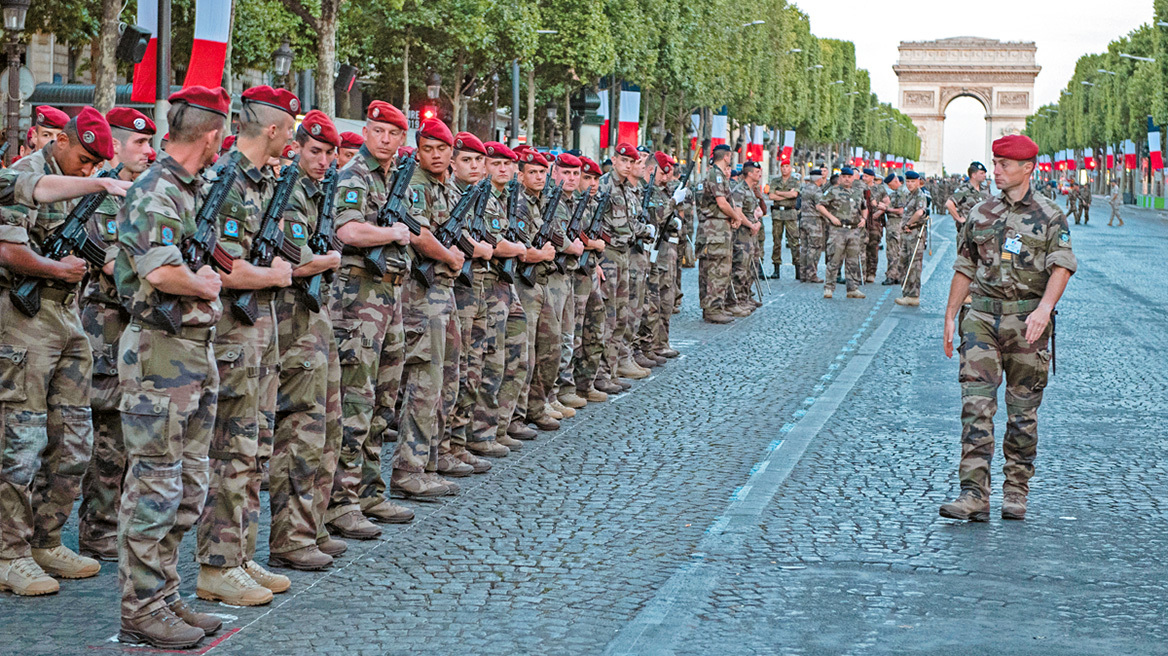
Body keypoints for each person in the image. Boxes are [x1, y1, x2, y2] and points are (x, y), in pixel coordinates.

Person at [110, 85, 229, 647]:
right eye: (220, 137)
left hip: (189, 349)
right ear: (211, 135)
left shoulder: (188, 189)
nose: (220, 145)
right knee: (155, 484)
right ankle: (140, 609)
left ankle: (165, 597)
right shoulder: (155, 190)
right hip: (158, 350)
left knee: (187, 484)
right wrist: (203, 284)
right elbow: (160, 272)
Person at [0, 107, 123, 598]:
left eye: (97, 165)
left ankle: (45, 539)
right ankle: (10, 553)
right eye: (85, 159)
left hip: (68, 320)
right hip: (21, 321)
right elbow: (8, 250)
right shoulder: (23, 175)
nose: (90, 170)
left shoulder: (88, 184)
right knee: (21, 442)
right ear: (63, 142)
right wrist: (55, 270)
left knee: (74, 440)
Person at [195, 85, 298, 607]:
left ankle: (239, 552)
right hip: (235, 333)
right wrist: (276, 275)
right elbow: (225, 266)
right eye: (291, 127)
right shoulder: (229, 180)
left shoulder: (260, 181)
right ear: (274, 128)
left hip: (260, 331)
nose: (293, 137)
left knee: (255, 448)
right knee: (231, 451)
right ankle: (216, 563)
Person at [940, 134, 1076, 522]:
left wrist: (1044, 310)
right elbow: (965, 265)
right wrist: (951, 315)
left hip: (1026, 323)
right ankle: (973, 494)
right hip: (980, 319)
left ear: (1027, 168)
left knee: (1022, 414)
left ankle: (1016, 489)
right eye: (994, 163)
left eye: (1003, 165)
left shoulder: (1051, 216)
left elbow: (1062, 265)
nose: (995, 170)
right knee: (975, 406)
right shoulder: (980, 213)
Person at [326, 100, 414, 536]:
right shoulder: (354, 175)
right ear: (367, 131)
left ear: (401, 139)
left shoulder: (391, 177)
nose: (384, 139)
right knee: (355, 401)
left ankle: (369, 491)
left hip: (387, 297)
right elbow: (348, 231)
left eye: (393, 133)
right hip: (357, 300)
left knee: (383, 399)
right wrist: (393, 233)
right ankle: (340, 503)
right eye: (378, 131)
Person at [266, 110, 345, 572]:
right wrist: (326, 260)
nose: (322, 160)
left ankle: (312, 525)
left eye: (329, 153)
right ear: (297, 147)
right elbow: (293, 261)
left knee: (328, 428)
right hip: (293, 324)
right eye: (314, 150)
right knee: (300, 433)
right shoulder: (288, 191)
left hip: (317, 321)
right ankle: (290, 538)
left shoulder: (320, 192)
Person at [76, 107, 157, 562]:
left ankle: (120, 521)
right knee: (108, 431)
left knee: (133, 427)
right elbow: (111, 263)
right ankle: (98, 527)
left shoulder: (143, 195)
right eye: (141, 143)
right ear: (119, 145)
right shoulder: (102, 199)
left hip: (137, 325)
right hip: (107, 324)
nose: (149, 151)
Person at [392, 118, 468, 497]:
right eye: (428, 149)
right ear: (418, 151)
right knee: (425, 379)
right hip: (421, 292)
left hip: (443, 290)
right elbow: (420, 235)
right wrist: (452, 257)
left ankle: (434, 456)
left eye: (442, 149)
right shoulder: (416, 185)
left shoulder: (446, 185)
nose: (435, 156)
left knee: (448, 374)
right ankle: (409, 467)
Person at [697, 144, 741, 323]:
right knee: (717, 268)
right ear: (727, 157)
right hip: (715, 228)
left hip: (717, 227)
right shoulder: (716, 175)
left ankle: (715, 306)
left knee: (718, 268)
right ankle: (713, 308)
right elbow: (722, 203)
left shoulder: (717, 174)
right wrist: (735, 216)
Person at [816, 167, 866, 299]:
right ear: (840, 178)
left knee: (853, 260)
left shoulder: (857, 192)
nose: (847, 179)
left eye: (849, 177)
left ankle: (852, 288)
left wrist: (864, 219)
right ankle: (829, 287)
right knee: (834, 259)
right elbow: (820, 205)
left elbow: (864, 207)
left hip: (854, 230)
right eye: (844, 177)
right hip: (838, 230)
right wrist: (831, 217)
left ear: (853, 178)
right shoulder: (833, 191)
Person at [894, 171, 928, 307]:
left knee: (913, 265)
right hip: (907, 234)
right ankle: (906, 293)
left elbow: (919, 212)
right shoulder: (909, 195)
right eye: (908, 181)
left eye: (912, 182)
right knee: (903, 264)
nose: (909, 184)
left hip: (915, 234)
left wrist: (909, 224)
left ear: (918, 181)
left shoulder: (920, 195)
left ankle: (913, 295)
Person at [766, 161, 799, 279]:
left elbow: (794, 195)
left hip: (790, 213)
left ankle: (798, 268)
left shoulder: (795, 181)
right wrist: (786, 194)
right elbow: (771, 196)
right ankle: (776, 268)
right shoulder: (775, 181)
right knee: (776, 242)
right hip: (777, 213)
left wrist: (779, 193)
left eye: (786, 167)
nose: (784, 169)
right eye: (782, 167)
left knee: (794, 241)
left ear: (790, 168)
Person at [797, 169, 826, 283]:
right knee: (814, 248)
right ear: (819, 179)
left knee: (804, 248)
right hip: (814, 222)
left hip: (803, 220)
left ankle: (803, 273)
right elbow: (819, 206)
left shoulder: (804, 188)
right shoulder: (817, 190)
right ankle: (812, 274)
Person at [879, 174, 905, 286]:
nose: (889, 187)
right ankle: (898, 275)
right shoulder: (900, 192)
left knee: (892, 252)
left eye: (890, 185)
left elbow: (900, 211)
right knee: (897, 252)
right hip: (896, 225)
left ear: (895, 181)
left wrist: (886, 209)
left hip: (895, 225)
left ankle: (891, 276)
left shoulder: (900, 193)